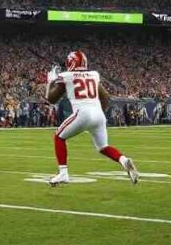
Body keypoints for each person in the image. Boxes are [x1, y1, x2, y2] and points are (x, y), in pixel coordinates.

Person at [45, 50, 139, 186]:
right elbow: (106, 98)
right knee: (103, 147)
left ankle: (63, 173)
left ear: (70, 62)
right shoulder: (94, 75)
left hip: (83, 113)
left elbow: (51, 99)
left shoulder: (66, 76)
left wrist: (50, 82)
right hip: (98, 114)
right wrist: (98, 114)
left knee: (59, 137)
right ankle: (124, 160)